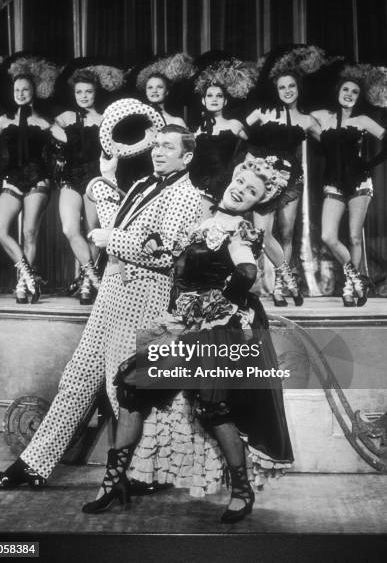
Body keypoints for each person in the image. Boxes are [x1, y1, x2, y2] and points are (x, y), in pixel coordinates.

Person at [0, 124, 203, 493]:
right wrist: (108, 177)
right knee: (77, 380)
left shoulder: (186, 195)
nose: (159, 151)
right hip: (113, 292)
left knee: (127, 392)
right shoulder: (144, 183)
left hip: (146, 295)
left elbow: (165, 252)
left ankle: (141, 475)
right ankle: (33, 465)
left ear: (187, 156)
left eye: (168, 147)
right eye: (157, 145)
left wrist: (111, 238)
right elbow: (119, 225)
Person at [81, 153, 293, 524]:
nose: (241, 190)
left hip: (218, 329)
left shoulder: (239, 230)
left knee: (212, 405)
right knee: (131, 383)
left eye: (252, 191)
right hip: (181, 323)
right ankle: (113, 482)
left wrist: (218, 300)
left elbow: (244, 270)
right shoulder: (205, 221)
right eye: (240, 182)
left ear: (260, 201)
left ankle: (241, 491)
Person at [245, 71, 320, 306]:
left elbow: (331, 142)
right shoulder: (263, 113)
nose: (287, 90)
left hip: (292, 179)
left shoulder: (307, 120)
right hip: (264, 179)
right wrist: (249, 162)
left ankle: (279, 288)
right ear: (275, 91)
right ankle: (287, 279)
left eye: (291, 86)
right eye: (282, 87)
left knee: (286, 233)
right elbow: (239, 135)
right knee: (262, 234)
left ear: (298, 89)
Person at [311, 75, 386, 307]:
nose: (349, 94)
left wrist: (370, 164)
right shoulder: (323, 116)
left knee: (354, 236)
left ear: (358, 97)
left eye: (354, 92)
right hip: (333, 182)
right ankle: (356, 279)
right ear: (337, 92)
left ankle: (349, 288)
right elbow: (300, 121)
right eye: (345, 89)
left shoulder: (362, 120)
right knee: (328, 237)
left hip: (359, 182)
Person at [0, 73, 52, 303]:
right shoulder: (3, 121)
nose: (21, 94)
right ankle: (29, 274)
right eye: (17, 90)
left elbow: (64, 145)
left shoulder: (43, 121)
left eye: (25, 89)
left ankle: (23, 285)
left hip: (38, 177)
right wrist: (3, 169)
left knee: (29, 234)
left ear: (33, 92)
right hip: (13, 178)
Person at [50, 68, 104, 304]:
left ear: (95, 93)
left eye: (88, 91)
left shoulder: (105, 119)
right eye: (79, 92)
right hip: (70, 178)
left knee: (92, 230)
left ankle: (85, 284)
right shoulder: (63, 118)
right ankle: (93, 276)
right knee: (70, 229)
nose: (83, 96)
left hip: (95, 179)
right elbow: (51, 142)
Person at [116, 73, 187, 193]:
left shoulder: (176, 121)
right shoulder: (134, 119)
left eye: (159, 87)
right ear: (145, 91)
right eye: (150, 87)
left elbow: (184, 155)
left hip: (166, 178)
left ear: (167, 91)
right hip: (136, 175)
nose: (154, 90)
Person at [190, 82, 248, 213]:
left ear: (225, 101)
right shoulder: (196, 130)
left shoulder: (234, 125)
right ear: (203, 101)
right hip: (199, 189)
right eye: (210, 96)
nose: (214, 99)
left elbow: (253, 148)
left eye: (219, 96)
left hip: (227, 187)